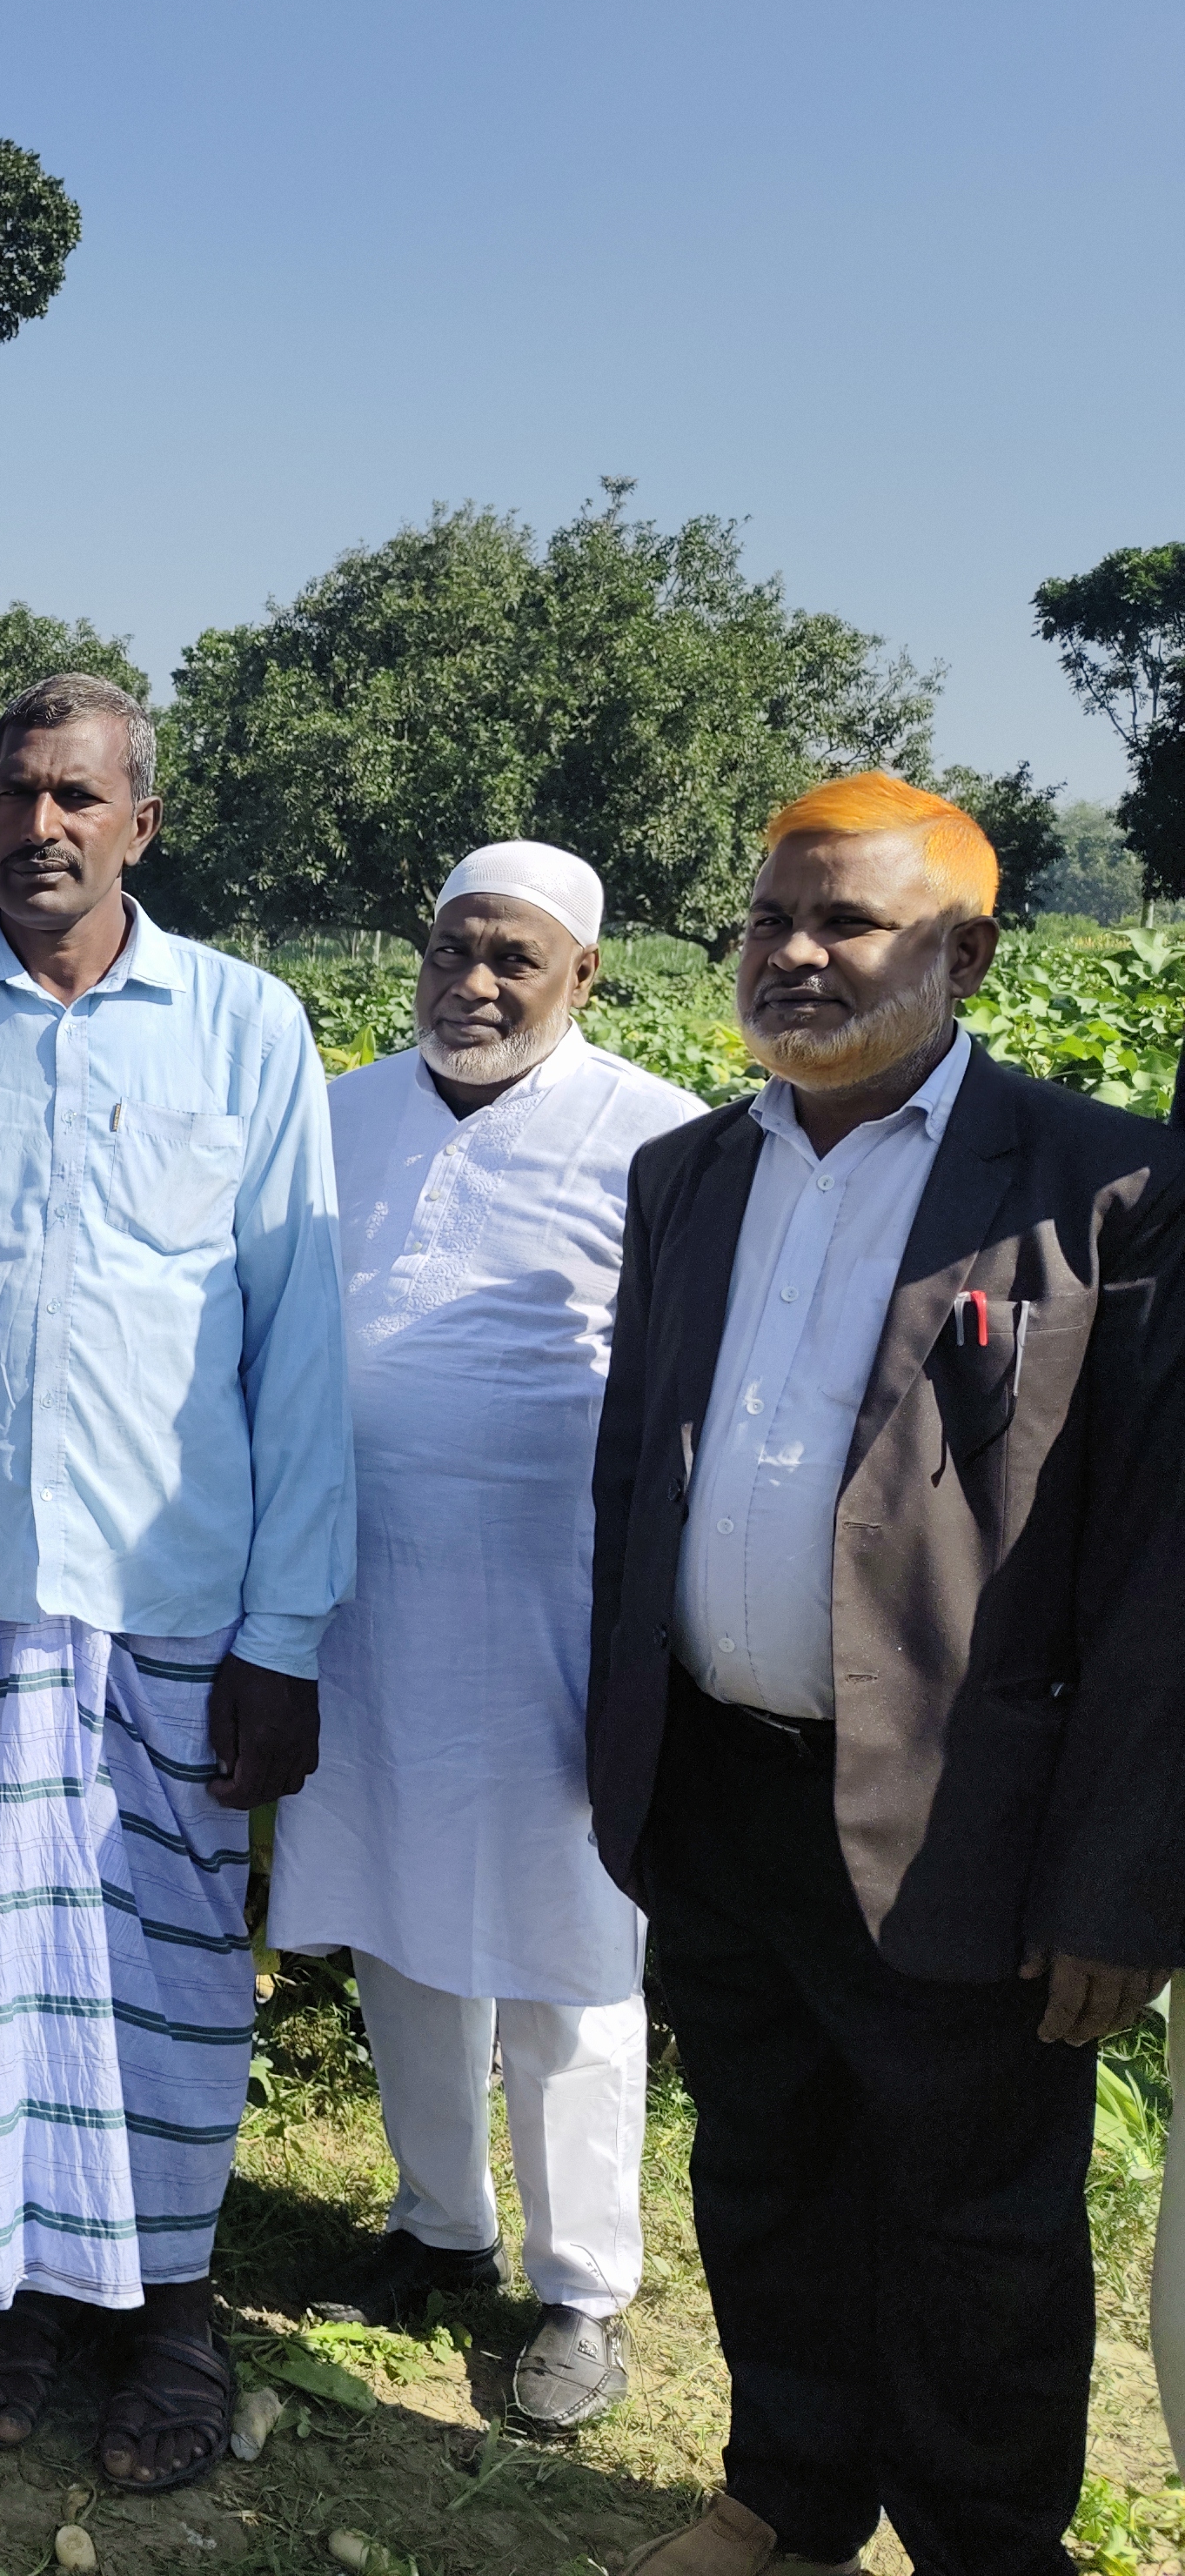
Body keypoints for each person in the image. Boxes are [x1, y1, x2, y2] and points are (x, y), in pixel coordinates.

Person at [589, 775, 1185, 2576]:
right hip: (721, 1784)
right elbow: (636, 1476)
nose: (790, 954)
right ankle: (785, 2491)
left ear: (964, 950)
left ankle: (983, 2541)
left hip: (968, 1829)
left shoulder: (1104, 1190)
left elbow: (1160, 1571)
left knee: (975, 2234)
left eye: (842, 922)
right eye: (769, 918)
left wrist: (1116, 1884)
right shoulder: (684, 1172)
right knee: (761, 2171)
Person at [0, 672, 353, 2493]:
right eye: (9, 793)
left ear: (138, 821)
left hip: (178, 1610)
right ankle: (7, 2305)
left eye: (72, 796)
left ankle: (170, 2314)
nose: (35, 826)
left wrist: (282, 1637)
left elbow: (296, 1354)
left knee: (172, 1982)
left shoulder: (242, 1031)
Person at [265, 841, 700, 2434]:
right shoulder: (339, 1112)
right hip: (366, 1593)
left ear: (584, 974)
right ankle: (437, 2221)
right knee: (395, 1911)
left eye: (516, 957)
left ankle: (584, 2283)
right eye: (454, 947)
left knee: (570, 1950)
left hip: (555, 1613)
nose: (477, 982)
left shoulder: (658, 1136)